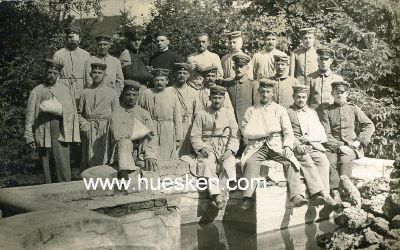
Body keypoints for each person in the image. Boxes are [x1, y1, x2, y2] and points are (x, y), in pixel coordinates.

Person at [240, 79, 308, 210]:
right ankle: (248, 198)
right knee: (250, 162)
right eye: (262, 92)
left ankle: (296, 196)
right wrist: (261, 132)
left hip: (276, 144)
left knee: (290, 161)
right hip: (257, 145)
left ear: (273, 93)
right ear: (258, 92)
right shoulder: (251, 110)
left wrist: (287, 146)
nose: (265, 94)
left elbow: (288, 131)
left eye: (268, 92)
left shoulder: (280, 110)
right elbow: (245, 131)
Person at [24, 59, 80, 183]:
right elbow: (30, 114)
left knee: (62, 161)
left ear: (58, 75)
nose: (51, 76)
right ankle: (48, 189)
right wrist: (29, 135)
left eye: (54, 73)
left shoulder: (64, 90)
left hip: (60, 129)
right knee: (46, 161)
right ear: (45, 73)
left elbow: (72, 112)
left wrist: (73, 132)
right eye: (49, 72)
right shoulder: (37, 90)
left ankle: (65, 188)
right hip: (43, 128)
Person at [320, 81, 375, 203]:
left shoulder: (353, 108)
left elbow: (369, 125)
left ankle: (345, 190)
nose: (340, 95)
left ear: (347, 93)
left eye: (342, 92)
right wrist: (339, 146)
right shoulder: (327, 111)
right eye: (337, 92)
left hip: (352, 146)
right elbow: (326, 134)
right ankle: (334, 192)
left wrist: (359, 141)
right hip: (332, 146)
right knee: (329, 161)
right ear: (332, 93)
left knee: (345, 161)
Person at [191, 85, 239, 209]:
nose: (217, 100)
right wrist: (202, 148)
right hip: (208, 146)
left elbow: (235, 135)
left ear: (224, 99)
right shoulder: (202, 114)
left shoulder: (229, 114)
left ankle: (222, 194)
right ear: (210, 98)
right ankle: (216, 195)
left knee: (229, 165)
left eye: (219, 98)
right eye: (214, 98)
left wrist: (230, 150)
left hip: (224, 146)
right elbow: (195, 135)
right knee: (207, 164)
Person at [287, 85, 336, 206]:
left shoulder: (311, 112)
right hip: (295, 145)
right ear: (293, 97)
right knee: (306, 159)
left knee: (323, 161)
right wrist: (297, 143)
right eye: (298, 97)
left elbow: (319, 132)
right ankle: (322, 194)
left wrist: (309, 137)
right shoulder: (287, 112)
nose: (301, 100)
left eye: (303, 97)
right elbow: (284, 133)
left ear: (307, 98)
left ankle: (322, 199)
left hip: (311, 144)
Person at [109, 80, 158, 179]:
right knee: (124, 141)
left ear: (138, 95)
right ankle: (124, 171)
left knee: (151, 170)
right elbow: (118, 135)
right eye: (128, 94)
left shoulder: (143, 113)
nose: (131, 97)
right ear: (123, 95)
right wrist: (142, 133)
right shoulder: (116, 113)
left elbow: (152, 136)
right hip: (121, 153)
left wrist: (150, 155)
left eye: (134, 95)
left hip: (140, 152)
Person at [79, 61, 120, 170]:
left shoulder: (112, 93)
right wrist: (84, 123)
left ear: (105, 75)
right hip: (90, 128)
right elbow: (79, 113)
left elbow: (117, 114)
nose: (96, 75)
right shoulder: (85, 92)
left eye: (99, 73)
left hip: (105, 129)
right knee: (89, 157)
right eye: (94, 72)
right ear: (90, 74)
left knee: (105, 156)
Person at [138, 68, 183, 159]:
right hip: (150, 127)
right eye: (157, 80)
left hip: (168, 129)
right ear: (153, 81)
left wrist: (178, 136)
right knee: (149, 153)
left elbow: (177, 116)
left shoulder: (172, 95)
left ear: (167, 81)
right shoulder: (146, 94)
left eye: (162, 80)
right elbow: (139, 113)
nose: (159, 83)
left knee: (166, 154)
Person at [53, 26, 90, 103]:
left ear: (79, 40)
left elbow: (88, 76)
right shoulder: (59, 54)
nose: (72, 39)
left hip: (80, 88)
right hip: (63, 87)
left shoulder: (86, 55)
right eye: (70, 37)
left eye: (75, 37)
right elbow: (55, 75)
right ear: (66, 39)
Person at [170, 63, 199, 156]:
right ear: (175, 74)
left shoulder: (194, 92)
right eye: (179, 73)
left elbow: (197, 114)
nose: (182, 75)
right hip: (172, 124)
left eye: (184, 73)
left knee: (187, 153)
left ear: (188, 75)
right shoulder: (169, 90)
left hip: (188, 125)